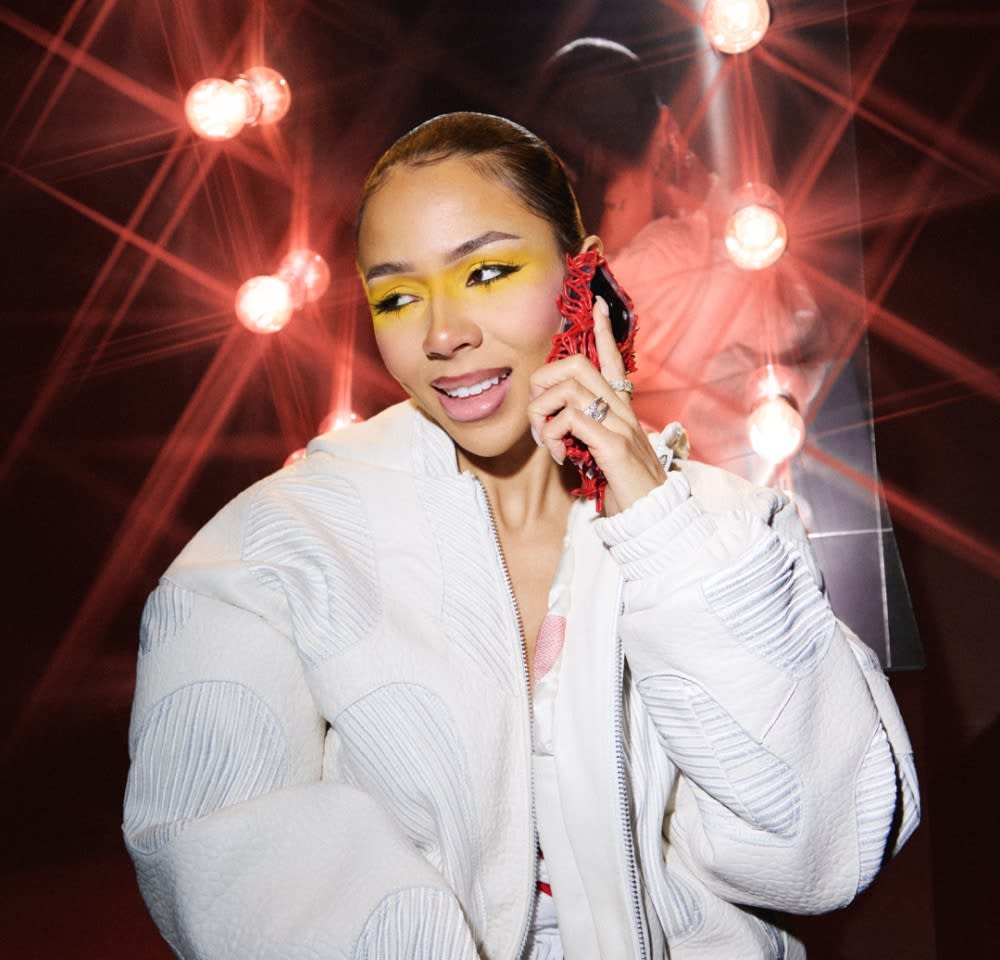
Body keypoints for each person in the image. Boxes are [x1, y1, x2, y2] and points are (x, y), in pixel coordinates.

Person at [123, 112, 919, 959]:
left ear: (583, 279)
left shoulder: (721, 531)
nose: (441, 334)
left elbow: (827, 848)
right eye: (397, 296)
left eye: (488, 271)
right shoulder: (280, 546)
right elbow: (221, 855)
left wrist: (653, 520)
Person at [530, 39, 829, 473]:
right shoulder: (714, 262)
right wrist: (711, 195)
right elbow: (804, 337)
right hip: (733, 511)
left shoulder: (558, 298)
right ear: (664, 129)